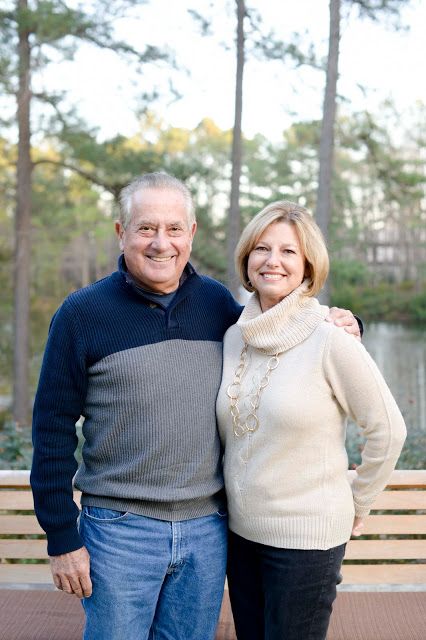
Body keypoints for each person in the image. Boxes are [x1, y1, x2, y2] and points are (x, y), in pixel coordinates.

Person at [31, 173, 361, 640]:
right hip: (119, 532)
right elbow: (51, 428)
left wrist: (347, 322)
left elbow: (284, 330)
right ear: (121, 232)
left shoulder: (217, 305)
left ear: (192, 234)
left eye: (173, 229)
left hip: (207, 530)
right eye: (145, 228)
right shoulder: (81, 314)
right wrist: (62, 536)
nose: (160, 243)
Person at [216, 200, 406, 640]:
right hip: (242, 535)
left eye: (288, 252)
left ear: (308, 265)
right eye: (262, 248)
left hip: (306, 541)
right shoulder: (233, 337)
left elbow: (389, 430)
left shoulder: (330, 337)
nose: (273, 261)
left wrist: (358, 499)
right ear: (247, 259)